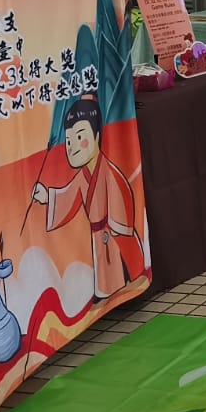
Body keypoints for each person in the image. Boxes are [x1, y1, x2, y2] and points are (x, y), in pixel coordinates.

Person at [34, 94, 147, 299]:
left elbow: (122, 200)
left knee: (119, 270)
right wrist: (47, 196)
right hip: (99, 235)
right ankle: (107, 291)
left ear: (96, 136)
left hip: (115, 236)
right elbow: (69, 196)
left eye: (79, 137)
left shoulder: (109, 172)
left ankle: (122, 286)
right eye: (69, 141)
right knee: (105, 274)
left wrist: (118, 227)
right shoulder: (83, 176)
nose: (73, 147)